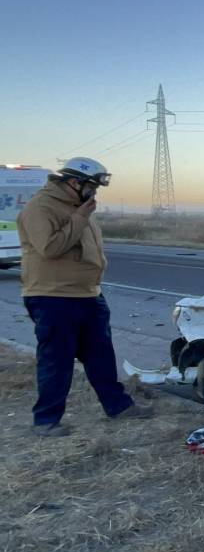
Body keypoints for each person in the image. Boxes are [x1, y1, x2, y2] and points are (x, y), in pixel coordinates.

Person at [18, 157, 152, 437]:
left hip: (87, 295)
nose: (95, 192)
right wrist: (80, 218)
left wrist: (81, 216)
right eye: (92, 185)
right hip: (53, 297)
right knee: (57, 360)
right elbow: (50, 247)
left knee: (100, 356)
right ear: (74, 182)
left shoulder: (78, 207)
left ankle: (119, 407)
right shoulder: (40, 207)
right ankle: (45, 421)